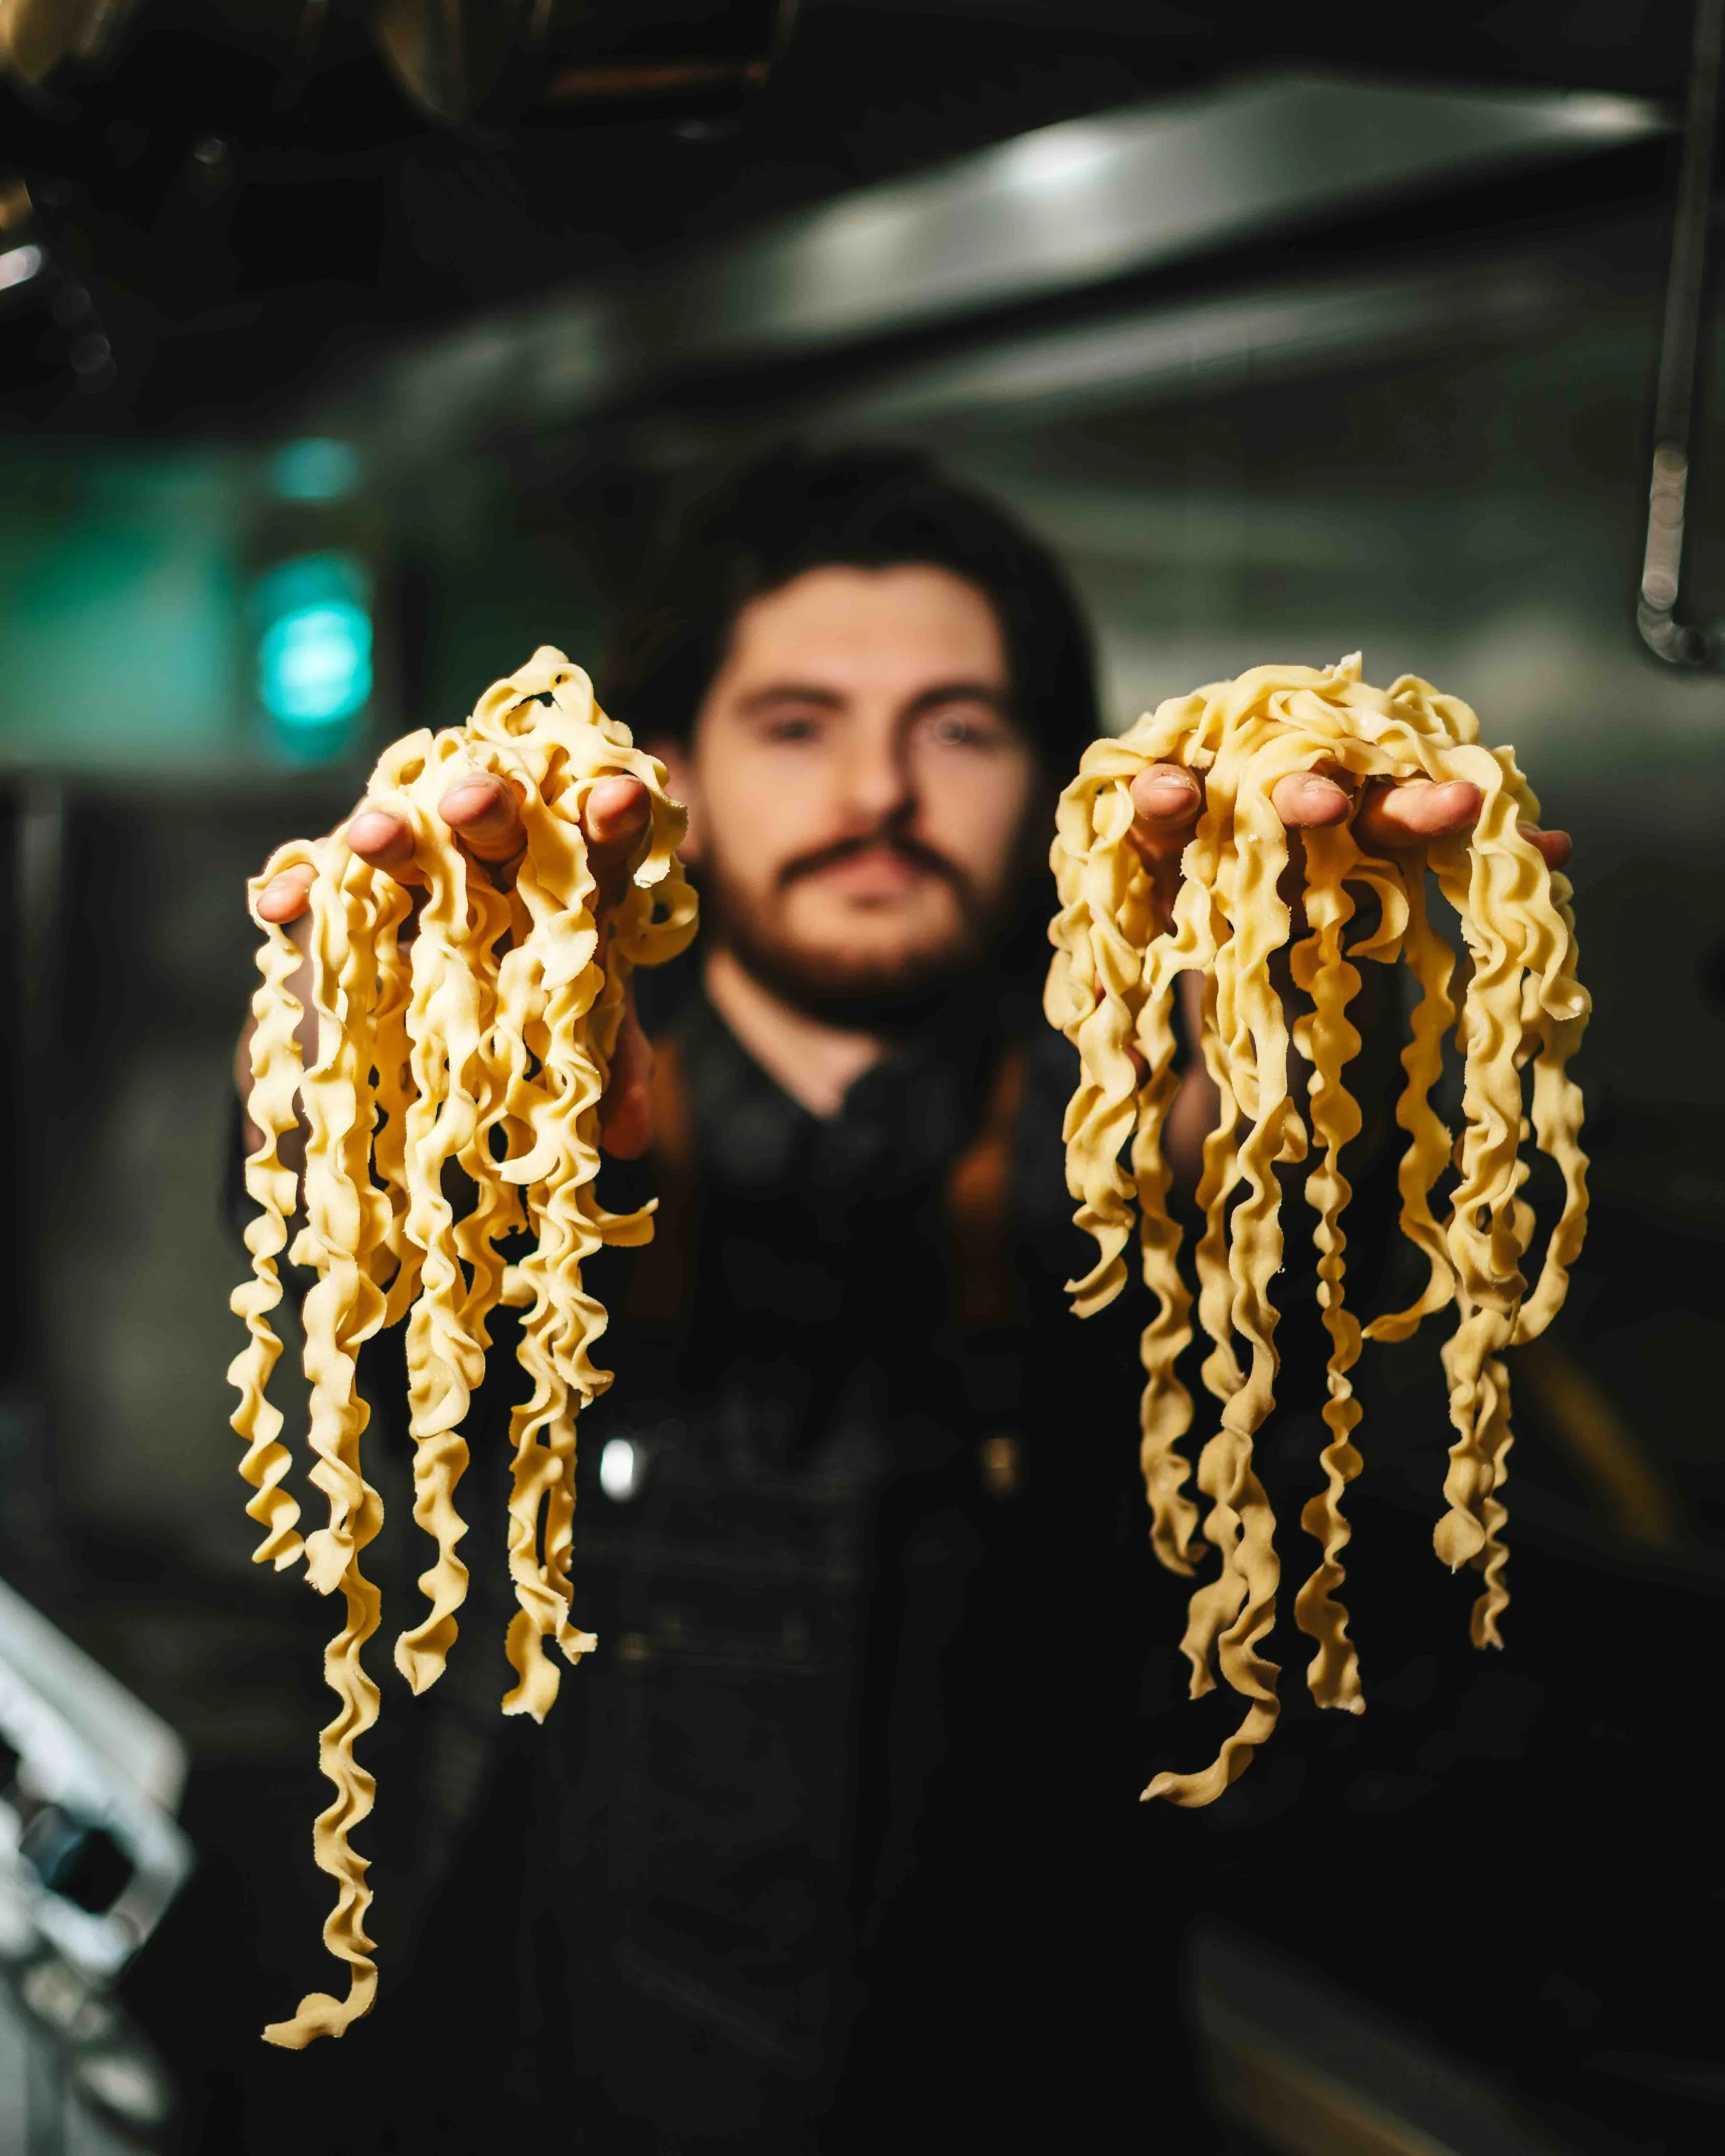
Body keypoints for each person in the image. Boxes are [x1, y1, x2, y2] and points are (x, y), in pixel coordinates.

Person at [240, 448, 1570, 2152]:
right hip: (550, 2070)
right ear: (670, 775)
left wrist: (1313, 1063)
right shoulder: (521, 1091)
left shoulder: (1128, 1111)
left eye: (957, 727)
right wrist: (337, 1082)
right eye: (796, 722)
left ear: (1054, 784)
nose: (876, 789)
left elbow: (1281, 1291)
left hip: (1034, 2078)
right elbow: (346, 1303)